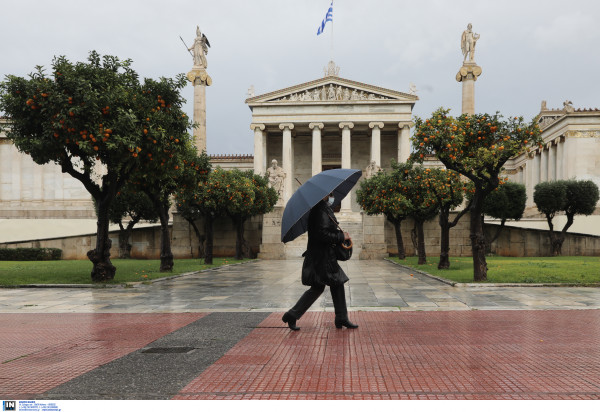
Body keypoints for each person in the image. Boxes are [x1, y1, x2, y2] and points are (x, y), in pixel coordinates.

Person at [282, 193, 358, 331]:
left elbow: (324, 231)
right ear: (325, 194)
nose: (332, 195)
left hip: (323, 256)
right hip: (322, 257)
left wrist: (339, 234)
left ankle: (293, 315)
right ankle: (293, 315)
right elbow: (321, 234)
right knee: (328, 285)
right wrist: (341, 236)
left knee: (330, 285)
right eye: (330, 193)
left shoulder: (322, 208)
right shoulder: (319, 210)